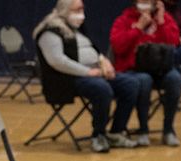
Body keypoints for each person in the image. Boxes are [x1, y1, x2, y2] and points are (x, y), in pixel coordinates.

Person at [34, 0, 141, 153]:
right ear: (65, 10)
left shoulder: (77, 29)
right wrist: (87, 72)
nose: (81, 14)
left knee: (130, 84)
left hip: (94, 73)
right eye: (77, 10)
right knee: (102, 89)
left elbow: (93, 50)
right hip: (67, 79)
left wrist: (104, 62)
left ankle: (116, 132)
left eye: (82, 9)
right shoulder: (50, 31)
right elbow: (57, 61)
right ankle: (98, 135)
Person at [109, 0, 181, 147]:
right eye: (142, 1)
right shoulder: (123, 20)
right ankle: (143, 130)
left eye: (149, 1)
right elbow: (118, 47)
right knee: (144, 80)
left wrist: (161, 23)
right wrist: (138, 28)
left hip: (161, 69)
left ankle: (168, 130)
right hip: (134, 69)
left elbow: (173, 44)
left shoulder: (165, 19)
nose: (146, 4)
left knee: (175, 79)